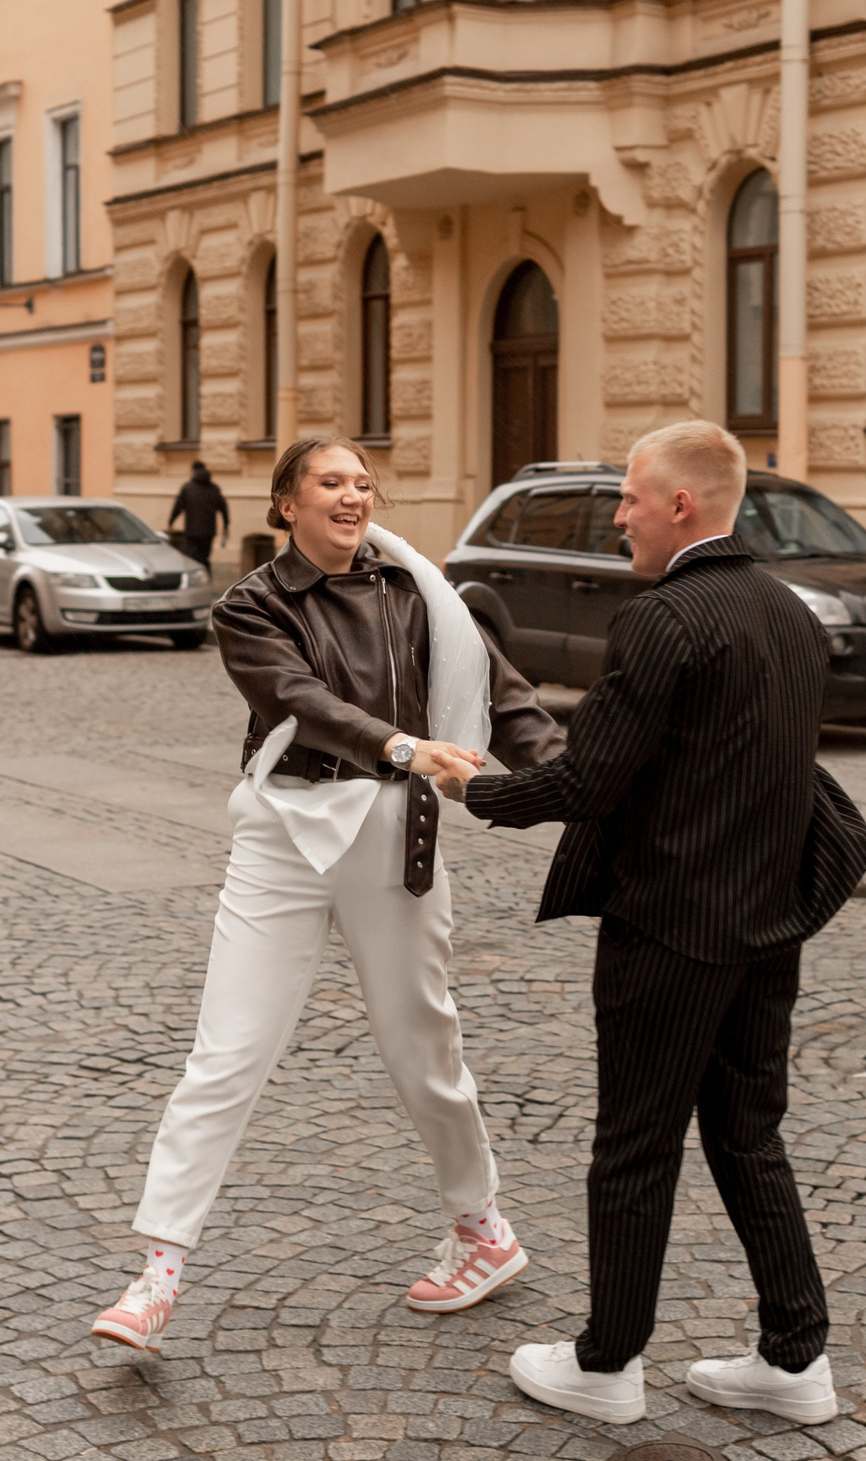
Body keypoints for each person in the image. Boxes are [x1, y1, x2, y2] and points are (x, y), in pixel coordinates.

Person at [92, 435, 568, 1354]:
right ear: (287, 505)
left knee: (422, 1046)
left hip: (392, 837)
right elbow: (300, 698)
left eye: (362, 481)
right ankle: (158, 1273)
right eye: (330, 482)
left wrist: (582, 793)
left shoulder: (419, 596)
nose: (353, 495)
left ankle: (484, 1232)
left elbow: (507, 700)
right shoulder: (251, 605)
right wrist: (404, 746)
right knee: (226, 1050)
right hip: (283, 834)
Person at [449, 420, 866, 1427]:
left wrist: (475, 791)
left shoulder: (663, 619)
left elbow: (592, 779)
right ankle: (795, 1360)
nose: (619, 516)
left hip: (671, 932)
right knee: (747, 1139)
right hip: (768, 926)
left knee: (635, 1148)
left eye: (630, 499)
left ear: (680, 505)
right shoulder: (788, 613)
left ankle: (606, 1366)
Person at [167, 460, 230, 571]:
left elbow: (178, 507)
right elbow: (224, 508)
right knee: (205, 557)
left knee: (193, 558)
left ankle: (197, 581)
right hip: (208, 532)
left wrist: (171, 522)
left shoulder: (187, 488)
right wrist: (226, 526)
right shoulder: (214, 489)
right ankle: (206, 579)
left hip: (192, 531)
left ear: (193, 471)